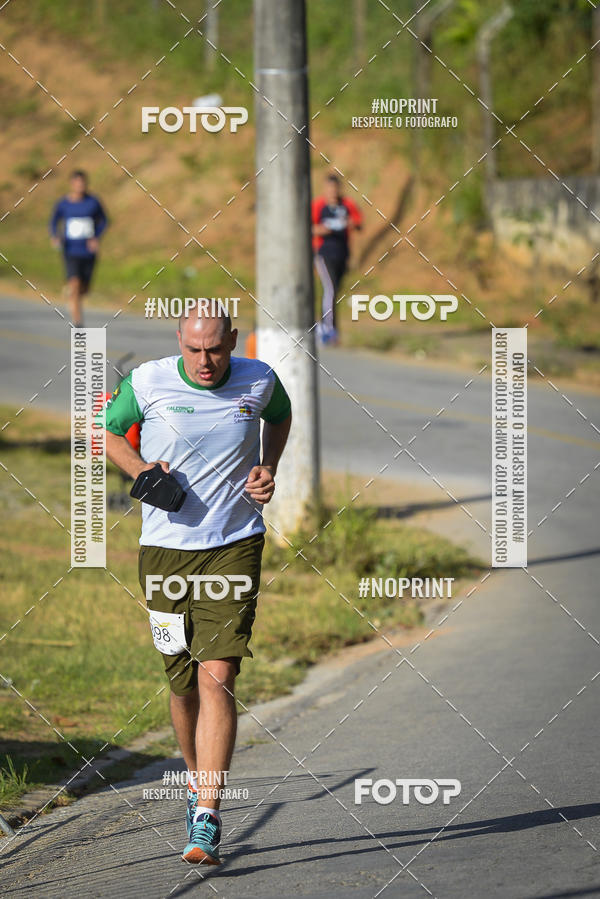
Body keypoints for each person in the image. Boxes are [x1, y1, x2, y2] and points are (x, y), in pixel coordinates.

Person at [102, 303, 291, 865]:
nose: (206, 362)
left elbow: (279, 418)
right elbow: (107, 433)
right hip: (164, 553)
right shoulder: (147, 381)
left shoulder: (259, 379)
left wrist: (267, 465)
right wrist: (140, 471)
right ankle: (195, 780)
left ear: (233, 339)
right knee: (183, 683)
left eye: (216, 348)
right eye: (194, 349)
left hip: (234, 546)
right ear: (179, 340)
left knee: (219, 675)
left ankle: (207, 813)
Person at [49, 170, 108, 327]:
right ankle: (78, 323)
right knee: (75, 284)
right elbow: (54, 222)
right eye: (77, 183)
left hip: (88, 251)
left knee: (84, 289)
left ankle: (72, 295)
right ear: (72, 184)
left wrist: (96, 237)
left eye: (83, 183)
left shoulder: (93, 202)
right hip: (70, 250)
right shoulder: (63, 204)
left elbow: (104, 221)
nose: (80, 186)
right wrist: (55, 236)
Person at [311, 172, 362, 345]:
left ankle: (326, 327)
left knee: (334, 293)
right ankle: (329, 331)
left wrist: (349, 223)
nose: (332, 191)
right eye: (329, 188)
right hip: (323, 254)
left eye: (335, 187)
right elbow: (308, 227)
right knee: (330, 289)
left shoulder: (347, 205)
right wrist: (320, 230)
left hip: (342, 254)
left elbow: (358, 223)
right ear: (325, 189)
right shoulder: (318, 205)